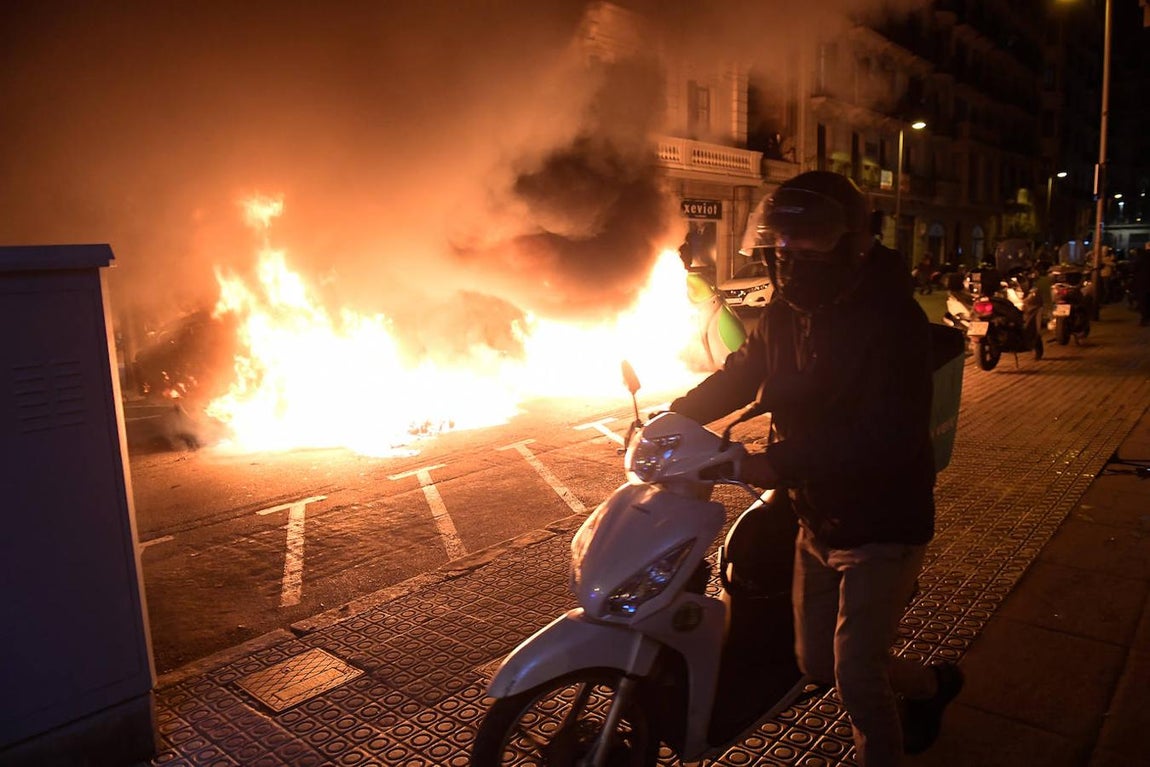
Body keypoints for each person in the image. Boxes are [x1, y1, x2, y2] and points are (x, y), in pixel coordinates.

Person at [669, 171, 963, 766]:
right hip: (815, 517)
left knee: (855, 677)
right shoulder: (785, 311)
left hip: (883, 522)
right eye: (781, 245)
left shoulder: (892, 321)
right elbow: (741, 372)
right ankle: (932, 687)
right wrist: (675, 417)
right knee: (814, 663)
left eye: (811, 245)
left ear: (853, 244)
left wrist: (776, 462)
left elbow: (884, 434)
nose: (792, 259)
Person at [1134, 243, 1150, 326]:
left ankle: (1145, 318)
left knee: (1143, 299)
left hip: (1143, 281)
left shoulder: (1142, 256)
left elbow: (1135, 267)